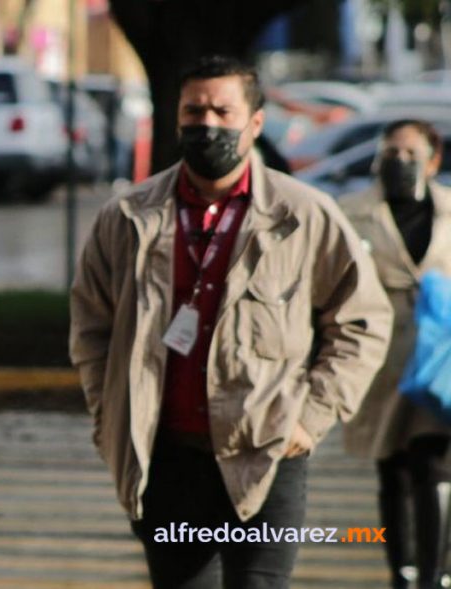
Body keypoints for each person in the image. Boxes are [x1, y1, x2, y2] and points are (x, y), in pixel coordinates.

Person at [68, 55, 393, 589]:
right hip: (168, 461)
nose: (208, 124)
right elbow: (90, 328)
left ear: (256, 122)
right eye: (194, 111)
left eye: (223, 110)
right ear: (176, 118)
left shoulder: (303, 214)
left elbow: (362, 321)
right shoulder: (127, 218)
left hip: (266, 457)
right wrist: (110, 419)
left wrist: (311, 418)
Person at [341, 119, 451, 589]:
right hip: (381, 360)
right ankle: (402, 570)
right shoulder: (351, 213)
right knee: (394, 467)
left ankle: (435, 572)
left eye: (410, 154)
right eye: (391, 153)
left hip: (440, 363)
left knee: (435, 464)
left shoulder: (449, 212)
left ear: (433, 160)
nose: (399, 163)